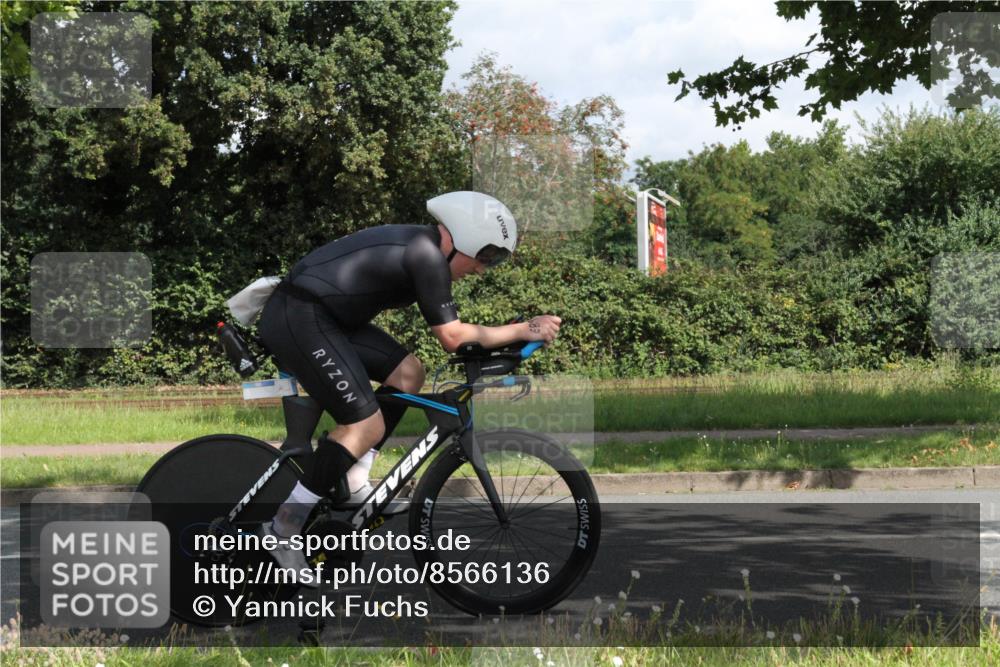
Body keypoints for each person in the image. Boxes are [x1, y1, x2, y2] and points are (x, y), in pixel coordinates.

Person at [255, 191, 562, 579]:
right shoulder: (426, 254)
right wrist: (523, 328)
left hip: (327, 317)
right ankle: (284, 526)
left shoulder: (426, 247)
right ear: (463, 235)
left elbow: (459, 334)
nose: (483, 268)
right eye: (485, 256)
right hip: (299, 316)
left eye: (493, 260)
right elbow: (452, 336)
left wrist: (513, 336)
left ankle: (352, 478)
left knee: (408, 374)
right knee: (364, 425)